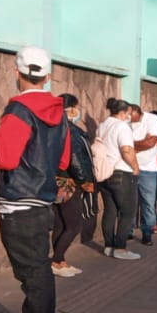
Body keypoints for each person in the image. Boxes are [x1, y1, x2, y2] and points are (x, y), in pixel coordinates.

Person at [0, 46, 75, 313]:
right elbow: (63, 159)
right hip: (42, 199)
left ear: (16, 73)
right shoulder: (58, 111)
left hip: (18, 200)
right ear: (48, 76)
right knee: (39, 270)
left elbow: (5, 157)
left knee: (32, 273)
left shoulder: (19, 110)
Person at [52, 93, 96, 276]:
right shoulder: (71, 130)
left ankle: (60, 261)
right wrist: (85, 181)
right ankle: (56, 260)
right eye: (75, 107)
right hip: (69, 182)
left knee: (60, 223)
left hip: (54, 181)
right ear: (70, 109)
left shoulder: (51, 128)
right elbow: (76, 160)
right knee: (73, 224)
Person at [95, 98, 141, 260]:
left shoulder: (103, 125)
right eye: (128, 113)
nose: (129, 116)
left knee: (110, 210)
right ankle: (120, 248)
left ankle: (109, 246)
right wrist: (135, 167)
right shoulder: (122, 127)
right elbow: (127, 149)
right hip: (121, 173)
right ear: (122, 113)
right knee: (128, 212)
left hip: (105, 173)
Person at [129, 104, 157, 246]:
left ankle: (147, 233)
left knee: (148, 202)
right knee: (130, 202)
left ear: (139, 113)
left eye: (133, 117)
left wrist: (131, 146)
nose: (130, 120)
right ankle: (127, 231)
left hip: (148, 168)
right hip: (129, 166)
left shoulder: (152, 119)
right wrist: (139, 143)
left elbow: (151, 142)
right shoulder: (125, 120)